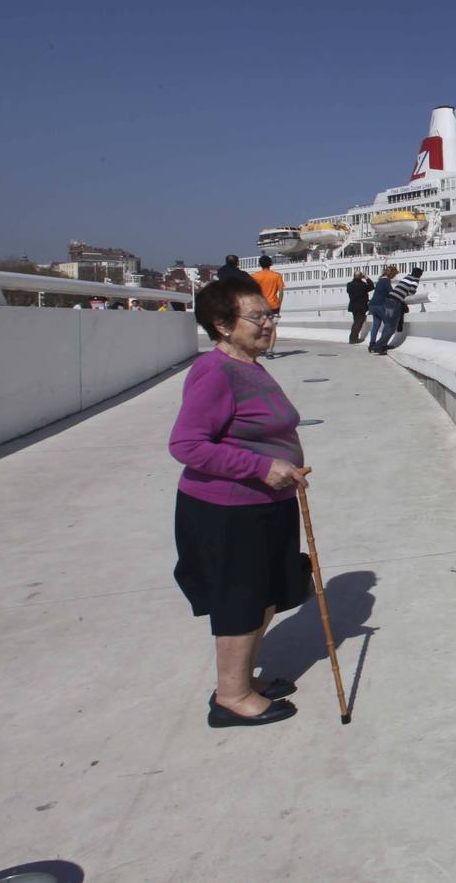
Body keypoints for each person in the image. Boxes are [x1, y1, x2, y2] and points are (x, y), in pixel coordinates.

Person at [168, 274, 311, 728]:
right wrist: (260, 467)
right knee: (241, 601)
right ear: (223, 325)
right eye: (257, 317)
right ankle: (230, 697)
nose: (269, 324)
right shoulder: (215, 371)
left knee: (265, 594)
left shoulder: (249, 364)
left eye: (271, 315)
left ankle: (244, 679)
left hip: (265, 505)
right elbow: (187, 445)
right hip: (227, 510)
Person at [371, 267, 422, 355]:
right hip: (395, 302)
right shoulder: (415, 279)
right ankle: (379, 346)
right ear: (419, 274)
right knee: (390, 327)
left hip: (388, 300)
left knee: (387, 325)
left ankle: (379, 345)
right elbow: (411, 292)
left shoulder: (407, 277)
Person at [251, 256, 286, 359]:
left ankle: (260, 347)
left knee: (259, 327)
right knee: (273, 328)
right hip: (274, 305)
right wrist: (279, 303)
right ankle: (270, 351)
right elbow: (281, 291)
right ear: (270, 264)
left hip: (260, 305)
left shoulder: (255, 276)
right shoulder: (276, 276)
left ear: (259, 264)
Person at [366, 265, 399, 353]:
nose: (395, 276)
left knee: (376, 326)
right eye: (394, 274)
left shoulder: (380, 280)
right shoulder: (386, 281)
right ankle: (381, 345)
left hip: (372, 305)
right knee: (388, 324)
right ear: (391, 274)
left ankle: (372, 344)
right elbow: (391, 292)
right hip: (380, 305)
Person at [345, 271, 373, 343]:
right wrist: (366, 278)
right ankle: (353, 339)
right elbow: (372, 287)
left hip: (353, 306)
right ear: (361, 277)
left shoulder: (349, 285)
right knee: (358, 323)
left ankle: (353, 338)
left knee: (356, 322)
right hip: (361, 306)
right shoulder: (363, 285)